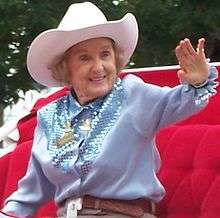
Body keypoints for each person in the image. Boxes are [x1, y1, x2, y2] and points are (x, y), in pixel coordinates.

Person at [0, 1, 218, 218]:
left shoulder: (134, 95)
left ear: (116, 59)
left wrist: (198, 82)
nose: (98, 67)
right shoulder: (49, 117)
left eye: (105, 55)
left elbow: (182, 102)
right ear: (65, 67)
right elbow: (31, 192)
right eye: (84, 58)